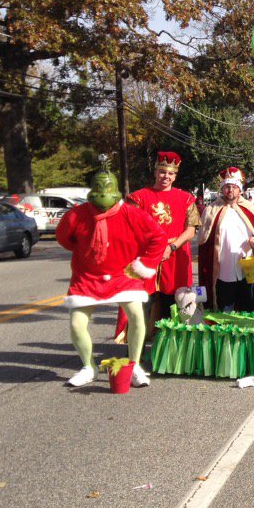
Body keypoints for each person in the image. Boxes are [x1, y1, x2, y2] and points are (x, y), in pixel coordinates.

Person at [56, 159, 166, 387]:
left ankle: (134, 365)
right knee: (77, 323)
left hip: (123, 275)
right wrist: (87, 255)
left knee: (136, 316)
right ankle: (88, 366)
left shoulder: (131, 214)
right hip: (87, 277)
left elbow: (158, 236)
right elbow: (64, 238)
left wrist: (145, 263)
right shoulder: (76, 215)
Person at [125, 151, 200, 331]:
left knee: (171, 304)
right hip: (146, 258)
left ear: (175, 176)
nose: (165, 176)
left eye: (170, 173)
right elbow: (129, 228)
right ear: (155, 172)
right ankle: (136, 352)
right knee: (142, 303)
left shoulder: (186, 199)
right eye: (162, 172)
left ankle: (167, 349)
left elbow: (191, 230)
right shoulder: (138, 198)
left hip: (174, 258)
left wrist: (171, 246)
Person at [197, 167, 254, 315]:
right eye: (227, 187)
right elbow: (203, 240)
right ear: (222, 189)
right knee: (225, 309)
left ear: (239, 189)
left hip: (247, 268)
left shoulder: (249, 208)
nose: (230, 190)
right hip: (223, 270)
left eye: (234, 187)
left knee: (249, 307)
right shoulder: (211, 210)